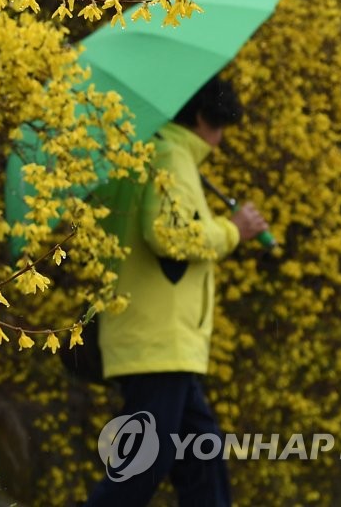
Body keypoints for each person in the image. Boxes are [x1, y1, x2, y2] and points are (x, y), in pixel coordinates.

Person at [85, 76, 269, 506]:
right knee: (144, 464)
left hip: (161, 340)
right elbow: (170, 234)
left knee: (203, 462)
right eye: (220, 128)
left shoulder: (149, 152)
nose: (220, 143)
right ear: (203, 116)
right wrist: (233, 231)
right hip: (157, 338)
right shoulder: (169, 155)